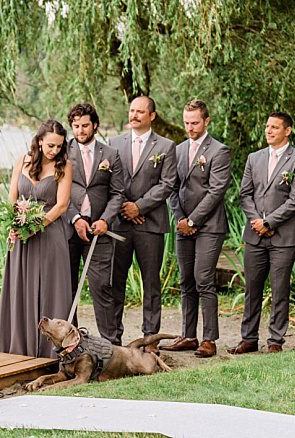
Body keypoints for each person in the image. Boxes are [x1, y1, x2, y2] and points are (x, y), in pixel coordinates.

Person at [231, 111, 295, 354]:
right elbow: (245, 194)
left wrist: (269, 223)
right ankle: (248, 338)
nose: (269, 131)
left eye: (275, 127)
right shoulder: (254, 158)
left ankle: (275, 340)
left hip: (283, 237)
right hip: (254, 235)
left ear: (287, 131)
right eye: (267, 126)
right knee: (252, 288)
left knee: (280, 289)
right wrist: (257, 221)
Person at [0, 120, 75, 358]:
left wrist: (36, 226)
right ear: (39, 142)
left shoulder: (65, 167)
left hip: (50, 235)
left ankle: (50, 351)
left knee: (52, 290)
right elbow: (12, 197)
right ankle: (20, 346)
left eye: (59, 146)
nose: (55, 151)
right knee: (21, 287)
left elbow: (61, 205)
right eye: (50, 145)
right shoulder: (22, 161)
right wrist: (14, 224)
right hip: (22, 237)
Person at [161, 100, 231, 358]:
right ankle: (188, 335)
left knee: (204, 279)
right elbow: (171, 187)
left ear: (207, 121)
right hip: (183, 225)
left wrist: (193, 221)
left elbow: (216, 191)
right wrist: (180, 218)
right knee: (186, 280)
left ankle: (209, 338)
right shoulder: (177, 150)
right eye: (187, 123)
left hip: (209, 226)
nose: (190, 128)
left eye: (195, 123)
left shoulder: (219, 151)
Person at [105, 96, 176, 348]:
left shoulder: (166, 147)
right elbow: (111, 181)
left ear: (152, 116)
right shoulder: (114, 143)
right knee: (116, 282)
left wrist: (140, 206)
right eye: (132, 110)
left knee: (151, 283)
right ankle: (113, 337)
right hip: (120, 224)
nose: (134, 115)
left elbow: (167, 184)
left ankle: (150, 338)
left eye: (140, 112)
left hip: (150, 224)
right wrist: (126, 207)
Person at [64, 103, 124, 329]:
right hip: (69, 228)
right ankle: (72, 342)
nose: (80, 130)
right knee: (67, 287)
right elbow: (56, 191)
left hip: (100, 231)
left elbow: (118, 193)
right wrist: (75, 218)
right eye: (76, 126)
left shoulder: (111, 154)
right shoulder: (63, 152)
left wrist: (105, 219)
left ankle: (110, 343)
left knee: (101, 286)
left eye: (85, 125)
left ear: (95, 126)